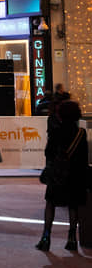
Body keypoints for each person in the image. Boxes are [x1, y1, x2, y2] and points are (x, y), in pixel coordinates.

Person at [36, 100, 87, 252]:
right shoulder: (80, 133)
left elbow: (48, 152)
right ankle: (71, 238)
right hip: (75, 175)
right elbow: (83, 156)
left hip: (58, 175)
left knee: (50, 203)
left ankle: (46, 237)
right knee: (73, 205)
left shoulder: (56, 132)